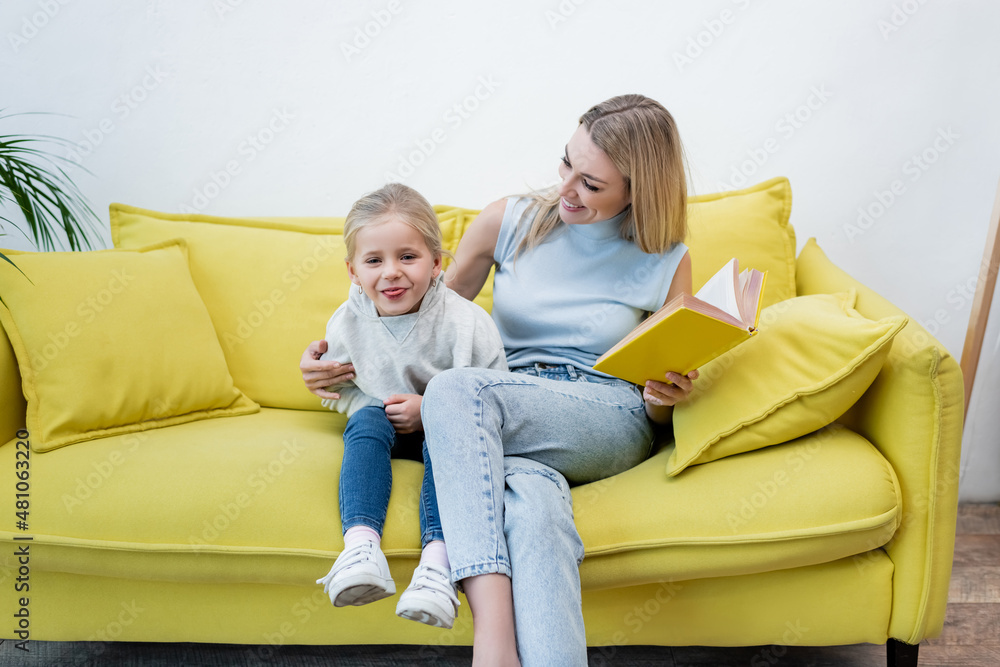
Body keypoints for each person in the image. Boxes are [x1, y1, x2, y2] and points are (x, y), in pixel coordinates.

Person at [302, 94, 698, 666]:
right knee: (534, 509)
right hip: (503, 400)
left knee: (457, 391)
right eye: (567, 164)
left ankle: (492, 642)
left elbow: (657, 401)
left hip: (602, 411)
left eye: (591, 184)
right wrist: (331, 364)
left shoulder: (666, 257)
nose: (565, 189)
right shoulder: (508, 221)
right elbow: (428, 318)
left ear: (637, 191)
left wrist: (665, 399)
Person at [313, 183, 508, 631]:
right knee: (365, 420)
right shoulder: (346, 322)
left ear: (437, 262)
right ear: (353, 270)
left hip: (451, 430)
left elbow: (495, 394)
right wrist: (357, 398)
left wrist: (432, 407)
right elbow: (344, 388)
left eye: (408, 257)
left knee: (449, 445)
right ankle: (360, 548)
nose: (391, 273)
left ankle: (437, 565)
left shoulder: (468, 323)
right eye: (374, 260)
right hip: (381, 424)